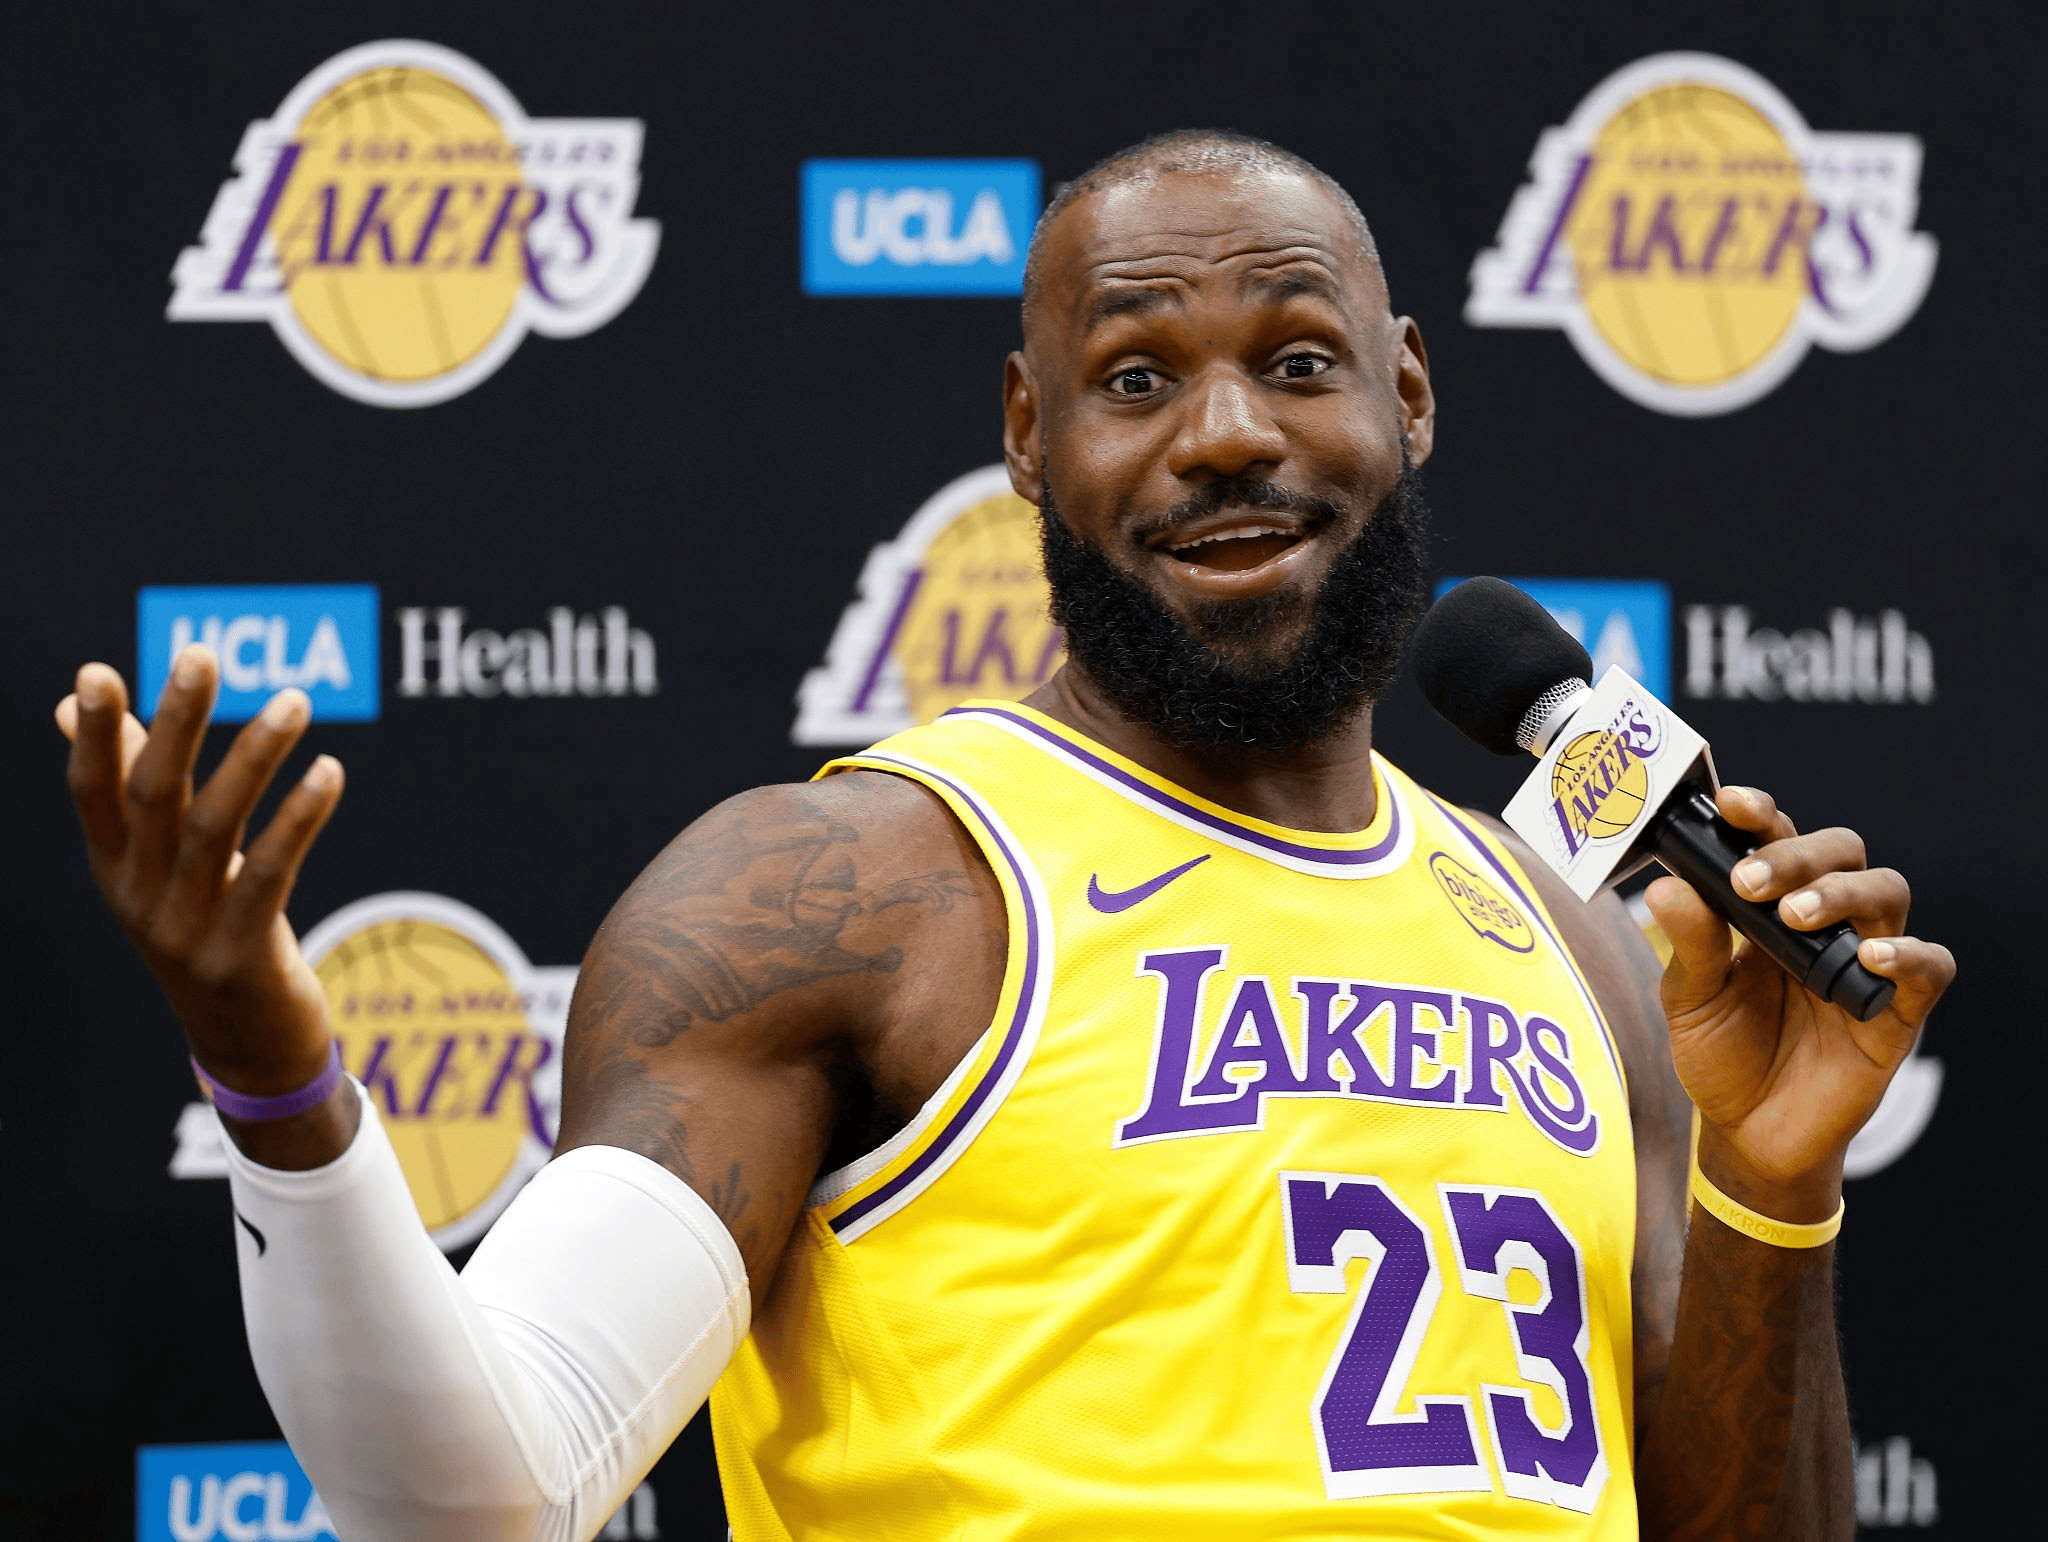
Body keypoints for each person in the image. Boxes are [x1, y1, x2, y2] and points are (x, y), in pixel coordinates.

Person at [58, 131, 1952, 1540]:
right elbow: (480, 1494)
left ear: (1410, 396)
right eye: (1137, 379)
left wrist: (1771, 1184)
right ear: (1031, 439)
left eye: (1300, 359)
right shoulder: (851, 899)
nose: (1227, 431)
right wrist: (271, 1068)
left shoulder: (1587, 936)